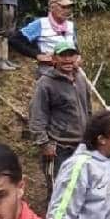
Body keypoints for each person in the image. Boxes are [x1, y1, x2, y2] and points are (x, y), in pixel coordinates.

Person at [29, 41, 91, 202]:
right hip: (59, 149)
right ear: (54, 59)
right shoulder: (45, 83)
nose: (68, 59)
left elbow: (88, 109)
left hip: (81, 146)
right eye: (63, 55)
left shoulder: (80, 78)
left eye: (71, 55)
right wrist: (44, 143)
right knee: (59, 191)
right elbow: (37, 114)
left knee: (81, 189)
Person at [12, 0, 78, 76]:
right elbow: (15, 40)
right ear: (52, 8)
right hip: (49, 72)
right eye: (63, 7)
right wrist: (37, 55)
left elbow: (75, 46)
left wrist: (78, 58)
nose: (67, 10)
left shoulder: (70, 25)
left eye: (68, 7)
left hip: (70, 70)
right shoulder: (41, 24)